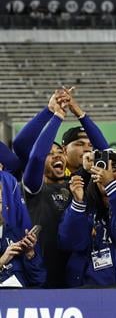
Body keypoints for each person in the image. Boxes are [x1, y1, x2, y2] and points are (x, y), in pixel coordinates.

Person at [58, 149, 116, 287]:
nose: (106, 173)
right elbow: (70, 243)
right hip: (86, 293)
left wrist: (111, 186)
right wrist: (77, 203)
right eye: (102, 167)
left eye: (114, 168)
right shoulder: (85, 208)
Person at [22, 91, 72, 287]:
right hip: (41, 278)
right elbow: (35, 158)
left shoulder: (76, 186)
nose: (57, 156)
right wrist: (56, 116)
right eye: (50, 154)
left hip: (75, 278)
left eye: (60, 152)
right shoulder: (34, 188)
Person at [0, 171, 46, 287]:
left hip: (20, 302)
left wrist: (30, 254)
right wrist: (1, 261)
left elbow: (39, 280)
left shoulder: (15, 235)